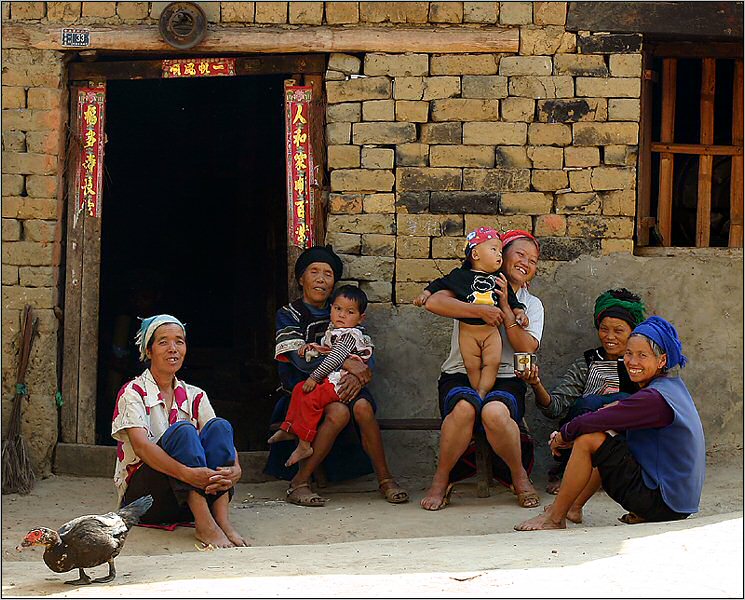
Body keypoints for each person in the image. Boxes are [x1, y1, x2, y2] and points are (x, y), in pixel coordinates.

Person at [515, 316, 705, 531]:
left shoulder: (653, 398)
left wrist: (564, 435)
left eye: (642, 356)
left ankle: (555, 517)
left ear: (661, 361)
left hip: (664, 502)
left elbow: (596, 420)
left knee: (590, 439)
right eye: (629, 354)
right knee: (605, 436)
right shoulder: (670, 387)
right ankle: (573, 508)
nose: (632, 362)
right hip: (678, 501)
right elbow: (611, 419)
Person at [264, 245, 408, 507]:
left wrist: (358, 374)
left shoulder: (343, 308)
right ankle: (300, 482)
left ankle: (385, 479)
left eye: (328, 274)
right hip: (306, 388)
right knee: (339, 413)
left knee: (363, 406)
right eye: (314, 272)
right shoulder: (289, 315)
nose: (320, 279)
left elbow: (364, 350)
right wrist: (347, 365)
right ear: (300, 279)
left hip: (340, 384)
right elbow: (299, 359)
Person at [419, 229, 544, 510]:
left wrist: (505, 307)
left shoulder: (531, 304)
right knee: (464, 408)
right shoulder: (468, 285)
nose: (525, 263)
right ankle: (441, 480)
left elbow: (526, 347)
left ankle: (519, 476)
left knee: (494, 412)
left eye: (533, 260)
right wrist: (480, 311)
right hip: (459, 372)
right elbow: (434, 301)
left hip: (506, 379)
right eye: (518, 254)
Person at [111, 314, 248, 548]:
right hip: (148, 503)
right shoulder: (133, 392)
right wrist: (187, 474)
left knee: (220, 426)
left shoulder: (195, 395)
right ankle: (204, 524)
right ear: (149, 350)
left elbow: (221, 440)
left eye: (179, 341)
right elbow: (142, 447)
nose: (173, 349)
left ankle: (221, 520)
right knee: (183, 431)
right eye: (163, 342)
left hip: (190, 496)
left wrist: (236, 467)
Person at [517, 288, 646, 493]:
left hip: (624, 443)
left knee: (623, 402)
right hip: (586, 436)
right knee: (587, 405)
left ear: (633, 332)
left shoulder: (642, 366)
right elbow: (555, 408)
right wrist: (535, 383)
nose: (609, 336)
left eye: (619, 330)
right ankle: (573, 473)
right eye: (604, 329)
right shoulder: (586, 364)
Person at [268, 285, 374, 469]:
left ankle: (304, 444)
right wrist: (310, 347)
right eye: (337, 309)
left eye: (349, 312)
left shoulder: (350, 334)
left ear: (360, 318)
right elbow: (326, 350)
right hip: (330, 379)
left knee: (311, 398)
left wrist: (314, 377)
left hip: (339, 383)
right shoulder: (334, 330)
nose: (341, 315)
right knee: (299, 389)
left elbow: (335, 357)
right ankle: (289, 428)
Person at [416, 227, 528, 400]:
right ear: (475, 255)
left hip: (491, 332)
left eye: (500, 251)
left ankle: (483, 393)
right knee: (472, 365)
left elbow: (511, 299)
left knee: (493, 363)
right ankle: (478, 392)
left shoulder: (499, 278)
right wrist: (425, 293)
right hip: (468, 332)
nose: (499, 255)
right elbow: (439, 284)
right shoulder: (460, 276)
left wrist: (520, 311)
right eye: (494, 250)